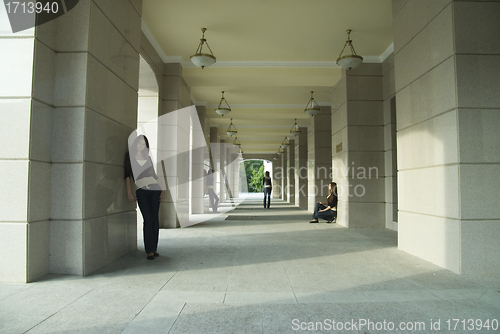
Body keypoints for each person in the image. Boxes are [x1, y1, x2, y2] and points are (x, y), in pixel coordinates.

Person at [125, 135, 165, 260]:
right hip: (141, 191)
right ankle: (149, 250)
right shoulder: (129, 157)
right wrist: (129, 192)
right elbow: (126, 176)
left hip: (155, 189)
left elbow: (153, 174)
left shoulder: (147, 158)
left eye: (144, 144)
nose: (141, 146)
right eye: (139, 143)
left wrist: (162, 188)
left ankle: (154, 248)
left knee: (154, 219)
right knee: (147, 219)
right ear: (135, 144)